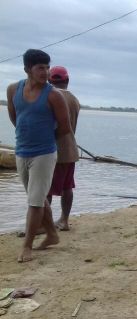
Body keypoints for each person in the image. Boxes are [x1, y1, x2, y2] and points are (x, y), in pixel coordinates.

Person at [6, 49, 71, 263]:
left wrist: (45, 140)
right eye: (40, 68)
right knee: (38, 198)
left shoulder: (53, 95)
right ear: (27, 69)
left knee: (34, 202)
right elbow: (16, 118)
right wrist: (27, 137)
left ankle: (27, 246)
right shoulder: (13, 90)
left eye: (47, 67)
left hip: (44, 153)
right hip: (22, 150)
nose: (45, 72)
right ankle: (52, 234)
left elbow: (64, 127)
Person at [47, 66, 80, 231]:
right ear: (67, 81)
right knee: (67, 187)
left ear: (49, 80)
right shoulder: (74, 100)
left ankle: (43, 223)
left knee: (45, 189)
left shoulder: (50, 97)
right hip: (70, 150)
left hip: (53, 151)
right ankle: (64, 220)